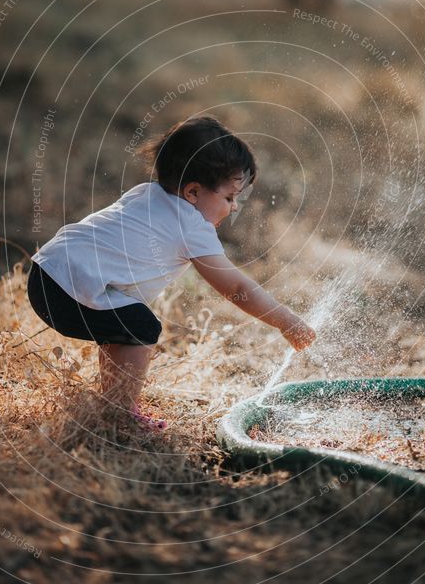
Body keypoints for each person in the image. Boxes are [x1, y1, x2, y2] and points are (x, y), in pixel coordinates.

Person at [27, 115, 316, 434]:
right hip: (65, 289)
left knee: (123, 322)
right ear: (193, 192)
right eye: (229, 198)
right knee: (140, 327)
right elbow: (236, 287)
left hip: (46, 272)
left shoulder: (147, 193)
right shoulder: (192, 226)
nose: (233, 208)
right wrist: (285, 320)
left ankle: (112, 402)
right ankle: (118, 415)